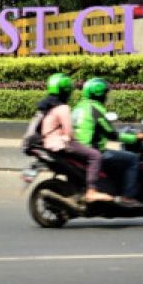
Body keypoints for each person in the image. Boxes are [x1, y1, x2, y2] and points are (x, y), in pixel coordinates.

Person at [38, 73, 111, 203]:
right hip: (61, 144)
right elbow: (68, 132)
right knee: (95, 156)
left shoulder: (46, 107)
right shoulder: (63, 108)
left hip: (48, 143)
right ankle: (91, 191)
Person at [72, 77, 143, 208]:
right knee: (132, 159)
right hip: (93, 150)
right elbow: (111, 133)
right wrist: (134, 138)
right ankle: (128, 197)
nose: (107, 96)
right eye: (105, 93)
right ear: (99, 94)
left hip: (76, 148)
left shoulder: (79, 107)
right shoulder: (96, 109)